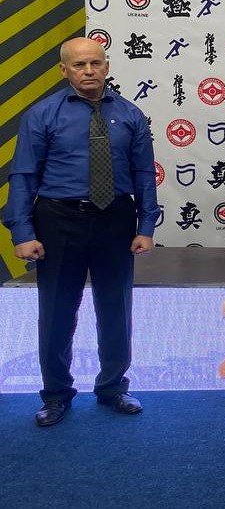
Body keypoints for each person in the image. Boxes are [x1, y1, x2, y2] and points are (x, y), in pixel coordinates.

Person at [2, 38, 158, 427]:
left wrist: (146, 225)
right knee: (56, 311)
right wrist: (22, 232)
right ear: (64, 70)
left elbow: (143, 174)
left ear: (106, 66)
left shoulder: (131, 114)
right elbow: (23, 175)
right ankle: (55, 394)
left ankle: (113, 388)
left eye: (95, 63)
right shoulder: (42, 115)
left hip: (115, 220)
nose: (88, 71)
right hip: (58, 221)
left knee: (116, 309)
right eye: (78, 65)